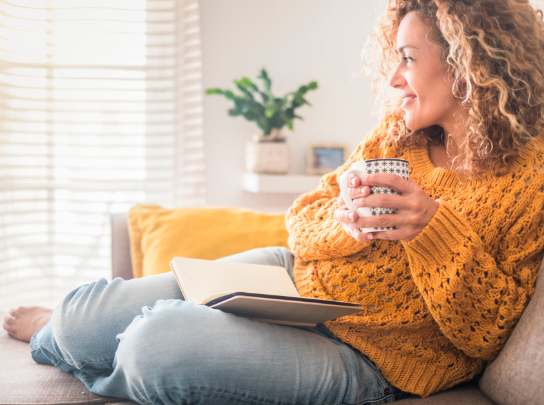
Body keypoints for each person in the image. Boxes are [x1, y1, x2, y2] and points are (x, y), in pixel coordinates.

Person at [5, 0, 544, 403]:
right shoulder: (399, 136)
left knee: (155, 347)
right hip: (290, 281)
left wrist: (432, 230)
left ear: (469, 62)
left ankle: (112, 350)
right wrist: (345, 222)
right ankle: (63, 335)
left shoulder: (530, 179)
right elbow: (301, 222)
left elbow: (488, 335)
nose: (393, 76)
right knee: (81, 317)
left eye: (407, 58)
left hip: (370, 357)